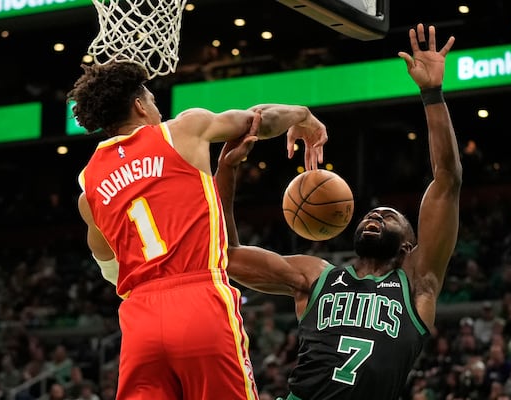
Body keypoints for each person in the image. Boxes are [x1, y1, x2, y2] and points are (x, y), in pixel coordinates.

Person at [216, 23, 461, 399]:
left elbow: (447, 180)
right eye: (371, 214)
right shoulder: (315, 276)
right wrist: (228, 171)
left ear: (409, 246)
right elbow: (226, 256)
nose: (375, 216)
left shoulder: (418, 282)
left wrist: (432, 94)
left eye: (388, 215)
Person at [67, 60, 328, 400]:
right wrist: (302, 115)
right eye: (153, 101)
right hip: (199, 299)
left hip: (139, 319)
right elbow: (258, 121)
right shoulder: (182, 131)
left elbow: (111, 270)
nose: (158, 110)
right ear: (139, 105)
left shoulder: (89, 187)